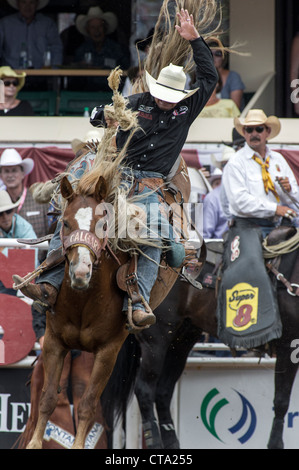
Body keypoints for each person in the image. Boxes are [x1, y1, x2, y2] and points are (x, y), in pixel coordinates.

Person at [13, 8, 218, 328]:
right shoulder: (136, 104)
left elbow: (209, 77)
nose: (164, 101)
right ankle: (49, 283)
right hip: (117, 176)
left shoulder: (187, 109)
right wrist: (102, 117)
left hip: (151, 184)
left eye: (170, 96)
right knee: (76, 210)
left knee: (156, 240)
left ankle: (139, 300)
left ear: (181, 97)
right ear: (153, 89)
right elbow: (100, 114)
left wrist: (195, 41)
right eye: (160, 94)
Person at [222, 109, 298, 237]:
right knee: (253, 258)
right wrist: (275, 209)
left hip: (276, 226)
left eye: (259, 129)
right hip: (246, 227)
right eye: (249, 130)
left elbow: (294, 198)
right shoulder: (236, 162)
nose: (254, 134)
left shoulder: (278, 159)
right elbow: (239, 201)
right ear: (244, 133)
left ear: (267, 132)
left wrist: (289, 189)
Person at [71, 6, 130, 91]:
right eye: (93, 27)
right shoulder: (81, 50)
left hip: (111, 94)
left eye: (100, 26)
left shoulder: (117, 49)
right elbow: (74, 76)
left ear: (105, 28)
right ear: (87, 30)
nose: (97, 31)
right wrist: (81, 66)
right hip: (86, 95)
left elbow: (126, 71)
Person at [0, 148, 49, 240]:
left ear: (23, 174)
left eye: (14, 170)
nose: (10, 175)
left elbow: (49, 230)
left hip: (39, 253)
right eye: (6, 171)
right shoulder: (1, 200)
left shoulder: (38, 199)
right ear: (1, 175)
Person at [0, 0, 62, 70]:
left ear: (37, 4)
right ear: (18, 4)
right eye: (23, 2)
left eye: (32, 2)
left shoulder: (47, 24)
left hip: (42, 75)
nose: (27, 7)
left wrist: (54, 71)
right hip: (11, 75)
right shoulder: (4, 24)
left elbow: (56, 49)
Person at [210, 43, 245, 111]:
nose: (213, 57)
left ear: (224, 57)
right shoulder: (198, 76)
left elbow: (235, 109)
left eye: (218, 54)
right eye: (209, 53)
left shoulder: (233, 77)